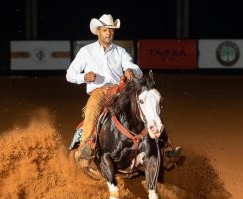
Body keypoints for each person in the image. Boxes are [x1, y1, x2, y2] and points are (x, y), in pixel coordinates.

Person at [66, 13, 181, 169]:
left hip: (121, 89)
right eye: (105, 30)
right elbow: (70, 75)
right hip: (100, 91)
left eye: (112, 30)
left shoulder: (120, 51)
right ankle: (87, 147)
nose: (109, 33)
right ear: (98, 31)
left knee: (146, 105)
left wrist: (130, 70)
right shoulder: (86, 51)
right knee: (92, 108)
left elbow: (137, 69)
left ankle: (166, 146)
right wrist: (84, 77)